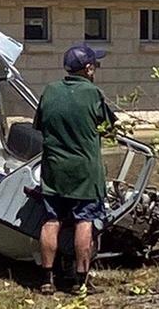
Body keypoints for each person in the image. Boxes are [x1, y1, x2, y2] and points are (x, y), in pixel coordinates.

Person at [33, 43, 117, 296]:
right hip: (84, 172)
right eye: (95, 65)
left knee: (51, 220)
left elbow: (39, 125)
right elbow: (109, 127)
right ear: (88, 68)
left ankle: (47, 279)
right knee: (84, 221)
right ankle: (80, 282)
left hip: (54, 170)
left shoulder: (50, 91)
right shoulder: (93, 94)